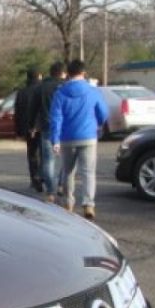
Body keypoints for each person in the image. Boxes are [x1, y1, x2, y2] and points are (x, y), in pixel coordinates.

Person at [49, 59, 108, 220]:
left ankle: (69, 202)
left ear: (68, 74)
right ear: (83, 73)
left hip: (67, 138)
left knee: (68, 172)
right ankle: (88, 204)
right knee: (88, 172)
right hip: (88, 136)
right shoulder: (93, 91)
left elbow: (55, 118)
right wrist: (98, 123)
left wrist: (55, 139)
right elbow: (103, 113)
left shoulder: (60, 93)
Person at [29, 61, 66, 203]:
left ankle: (51, 190)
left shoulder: (41, 88)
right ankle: (62, 184)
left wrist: (32, 125)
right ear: (62, 73)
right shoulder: (66, 87)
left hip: (47, 127)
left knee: (48, 160)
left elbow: (33, 108)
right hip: (65, 127)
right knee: (66, 160)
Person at [14, 68, 42, 194]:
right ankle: (42, 176)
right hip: (42, 126)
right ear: (39, 76)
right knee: (44, 153)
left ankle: (34, 177)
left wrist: (18, 131)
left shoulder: (22, 92)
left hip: (27, 127)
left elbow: (18, 112)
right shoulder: (42, 89)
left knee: (31, 154)